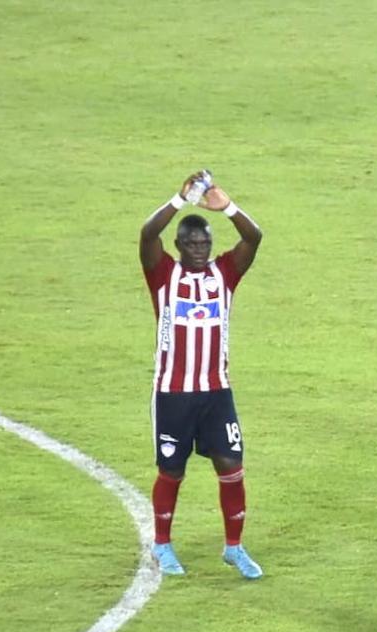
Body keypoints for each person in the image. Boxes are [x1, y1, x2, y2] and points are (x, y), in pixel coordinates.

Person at [139, 171, 265, 579]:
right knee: (172, 471)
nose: (199, 248)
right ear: (178, 246)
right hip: (173, 393)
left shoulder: (225, 273)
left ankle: (234, 548)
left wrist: (225, 206)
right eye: (191, 243)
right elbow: (146, 234)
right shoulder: (162, 274)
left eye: (205, 242)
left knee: (231, 465)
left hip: (216, 392)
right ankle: (162, 544)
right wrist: (179, 200)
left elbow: (254, 237)